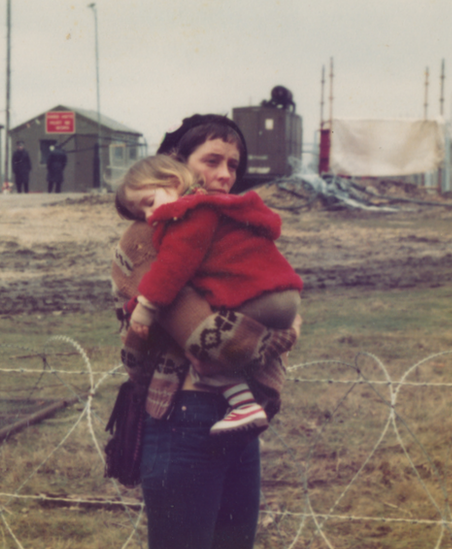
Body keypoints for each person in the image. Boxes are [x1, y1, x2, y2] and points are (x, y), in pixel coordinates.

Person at [111, 114, 300, 549]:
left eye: (233, 166)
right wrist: (278, 337)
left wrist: (277, 322)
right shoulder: (144, 240)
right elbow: (214, 341)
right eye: (212, 160)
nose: (224, 176)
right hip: (186, 417)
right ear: (173, 164)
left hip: (240, 417)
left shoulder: (222, 228)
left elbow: (279, 291)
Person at [114, 154, 302, 435]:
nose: (150, 216)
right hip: (284, 295)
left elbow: (171, 270)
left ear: (174, 182)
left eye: (150, 203)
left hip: (260, 298)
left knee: (203, 353)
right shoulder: (216, 208)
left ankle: (244, 405)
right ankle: (247, 401)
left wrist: (145, 307)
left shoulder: (188, 215)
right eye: (142, 214)